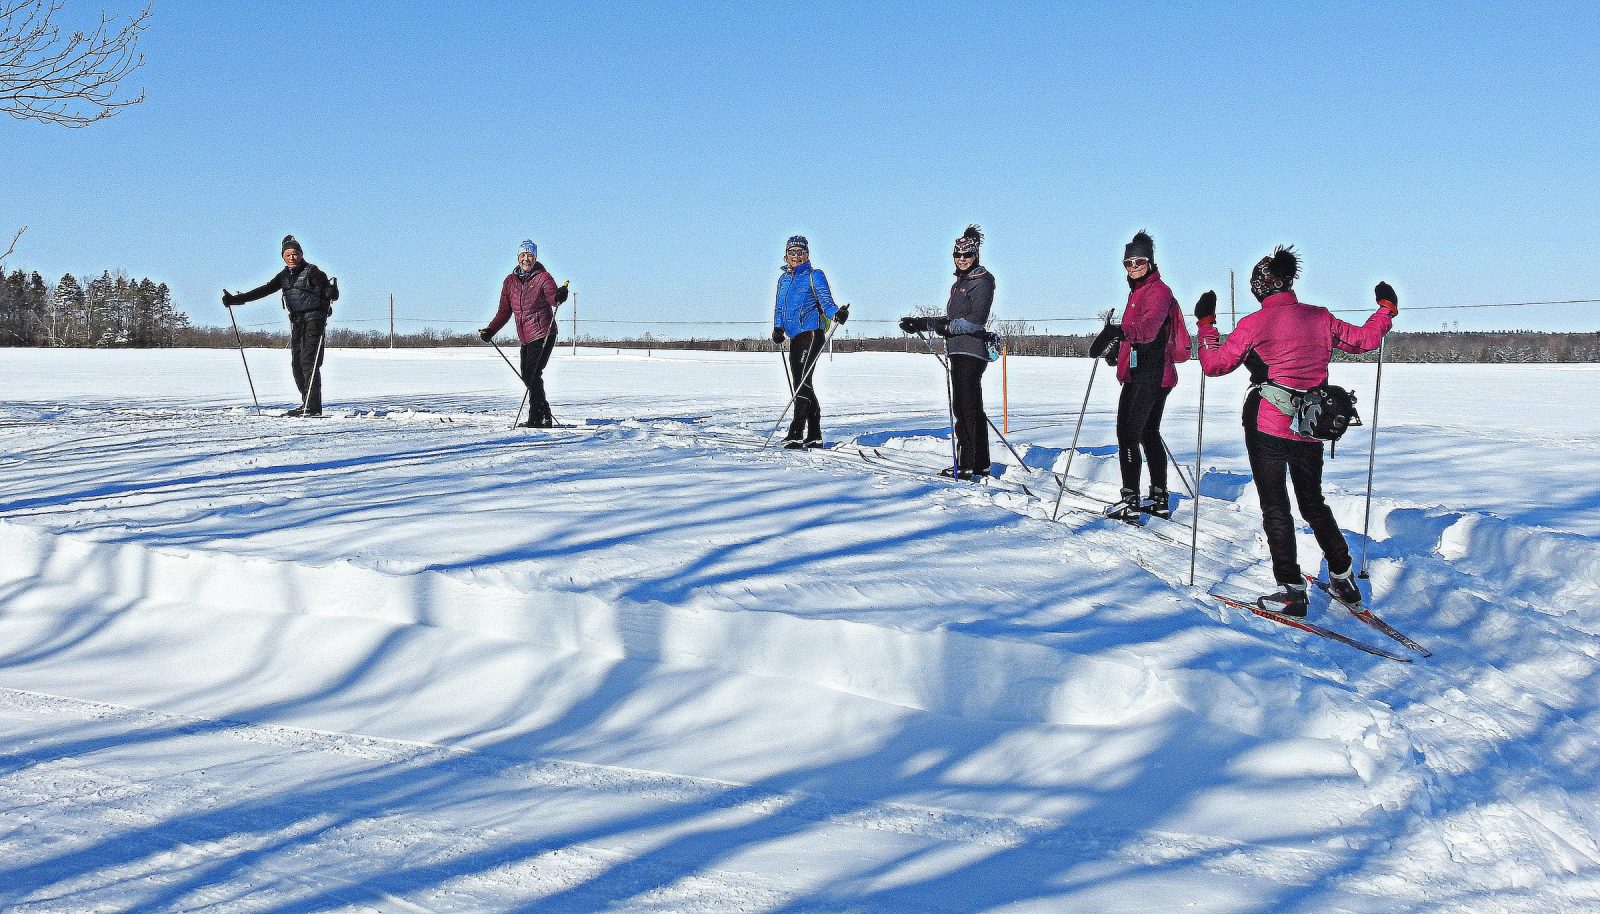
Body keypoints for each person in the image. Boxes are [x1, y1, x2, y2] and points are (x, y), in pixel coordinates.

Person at [1197, 246, 1397, 616]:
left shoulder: (1256, 324)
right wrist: (1385, 311)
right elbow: (1365, 340)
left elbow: (1214, 365)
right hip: (1310, 426)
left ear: (1259, 288)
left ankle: (1290, 590)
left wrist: (1206, 325)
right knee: (1313, 503)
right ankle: (1343, 575)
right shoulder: (1319, 317)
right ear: (1288, 283)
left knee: (1276, 506)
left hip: (1267, 426)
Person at [1097, 231, 1190, 522]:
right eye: (1128, 263)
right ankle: (1159, 498)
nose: (1134, 267)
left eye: (1139, 261)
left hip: (1152, 374)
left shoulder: (1159, 291)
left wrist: (1120, 332)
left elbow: (1148, 330)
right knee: (1148, 433)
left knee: (1128, 434)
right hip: (1143, 372)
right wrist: (1118, 350)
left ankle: (1130, 500)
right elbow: (1137, 336)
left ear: (1150, 261)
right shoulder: (1137, 292)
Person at [898, 225, 994, 479]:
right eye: (958, 255)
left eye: (967, 255)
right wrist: (922, 323)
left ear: (976, 256)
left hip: (971, 352)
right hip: (958, 351)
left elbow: (975, 321)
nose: (962, 259)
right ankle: (980, 462)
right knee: (967, 406)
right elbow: (951, 318)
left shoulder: (983, 281)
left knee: (966, 408)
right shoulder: (959, 284)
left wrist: (947, 327)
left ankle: (968, 463)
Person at [223, 235, 338, 417]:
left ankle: (312, 407)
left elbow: (330, 292)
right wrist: (237, 300)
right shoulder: (284, 276)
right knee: (297, 365)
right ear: (283, 257)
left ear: (301, 254)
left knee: (309, 362)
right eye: (288, 254)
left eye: (295, 254)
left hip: (315, 320)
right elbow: (265, 289)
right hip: (297, 322)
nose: (292, 257)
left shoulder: (313, 272)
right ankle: (306, 403)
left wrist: (332, 291)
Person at [479, 240, 568, 428]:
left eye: (530, 255)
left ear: (535, 258)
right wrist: (491, 330)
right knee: (528, 375)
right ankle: (538, 416)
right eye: (523, 255)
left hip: (544, 332)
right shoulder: (510, 282)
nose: (526, 258)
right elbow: (504, 311)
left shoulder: (543, 277)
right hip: (525, 337)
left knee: (532, 373)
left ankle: (541, 416)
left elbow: (553, 298)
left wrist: (560, 295)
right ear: (518, 258)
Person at [772, 235, 847, 448]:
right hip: (795, 335)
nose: (796, 256)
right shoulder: (783, 280)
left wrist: (836, 314)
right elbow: (779, 307)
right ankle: (814, 433)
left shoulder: (815, 275)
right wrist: (778, 328)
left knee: (801, 382)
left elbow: (826, 302)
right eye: (792, 252)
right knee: (802, 383)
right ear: (786, 255)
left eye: (800, 252)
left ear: (807, 254)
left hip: (812, 332)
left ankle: (796, 431)